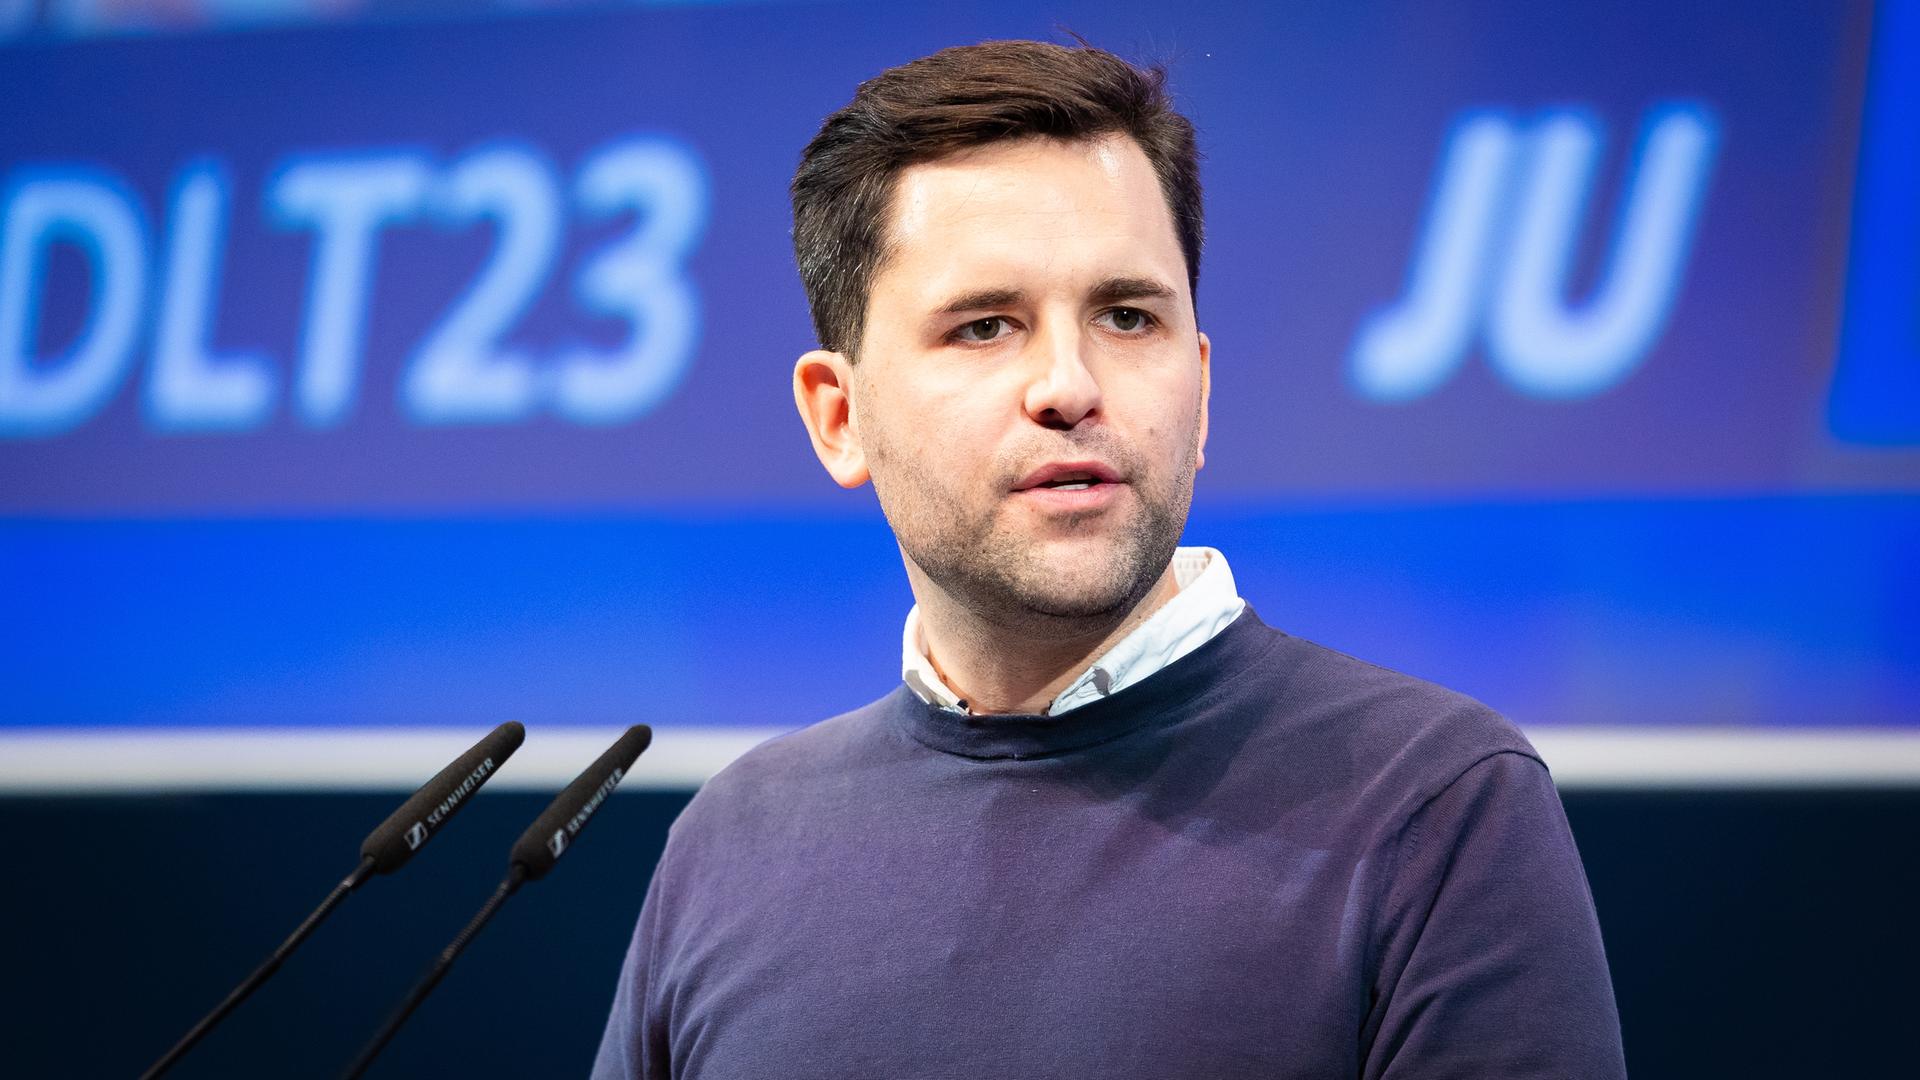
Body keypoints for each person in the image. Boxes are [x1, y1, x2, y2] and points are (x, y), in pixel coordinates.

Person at [593, 39, 1625, 1079]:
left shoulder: (1436, 803)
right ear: (838, 415)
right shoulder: (734, 844)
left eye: (1128, 317)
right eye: (986, 326)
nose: (1069, 384)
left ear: (1202, 386)